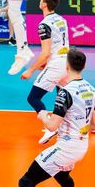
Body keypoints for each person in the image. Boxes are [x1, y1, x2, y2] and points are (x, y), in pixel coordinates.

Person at [18, 48, 95, 186]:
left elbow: (52, 126)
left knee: (25, 182)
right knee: (62, 177)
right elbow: (93, 123)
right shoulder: (91, 89)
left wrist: (43, 115)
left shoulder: (65, 93)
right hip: (81, 146)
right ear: (84, 66)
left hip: (66, 149)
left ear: (66, 66)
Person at [21, 0, 70, 142]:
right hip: (67, 64)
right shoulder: (61, 19)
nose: (40, 0)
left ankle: (50, 127)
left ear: (44, 4)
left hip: (56, 65)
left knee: (33, 98)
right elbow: (59, 46)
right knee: (65, 97)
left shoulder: (44, 24)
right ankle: (82, 127)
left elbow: (46, 53)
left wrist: (30, 70)